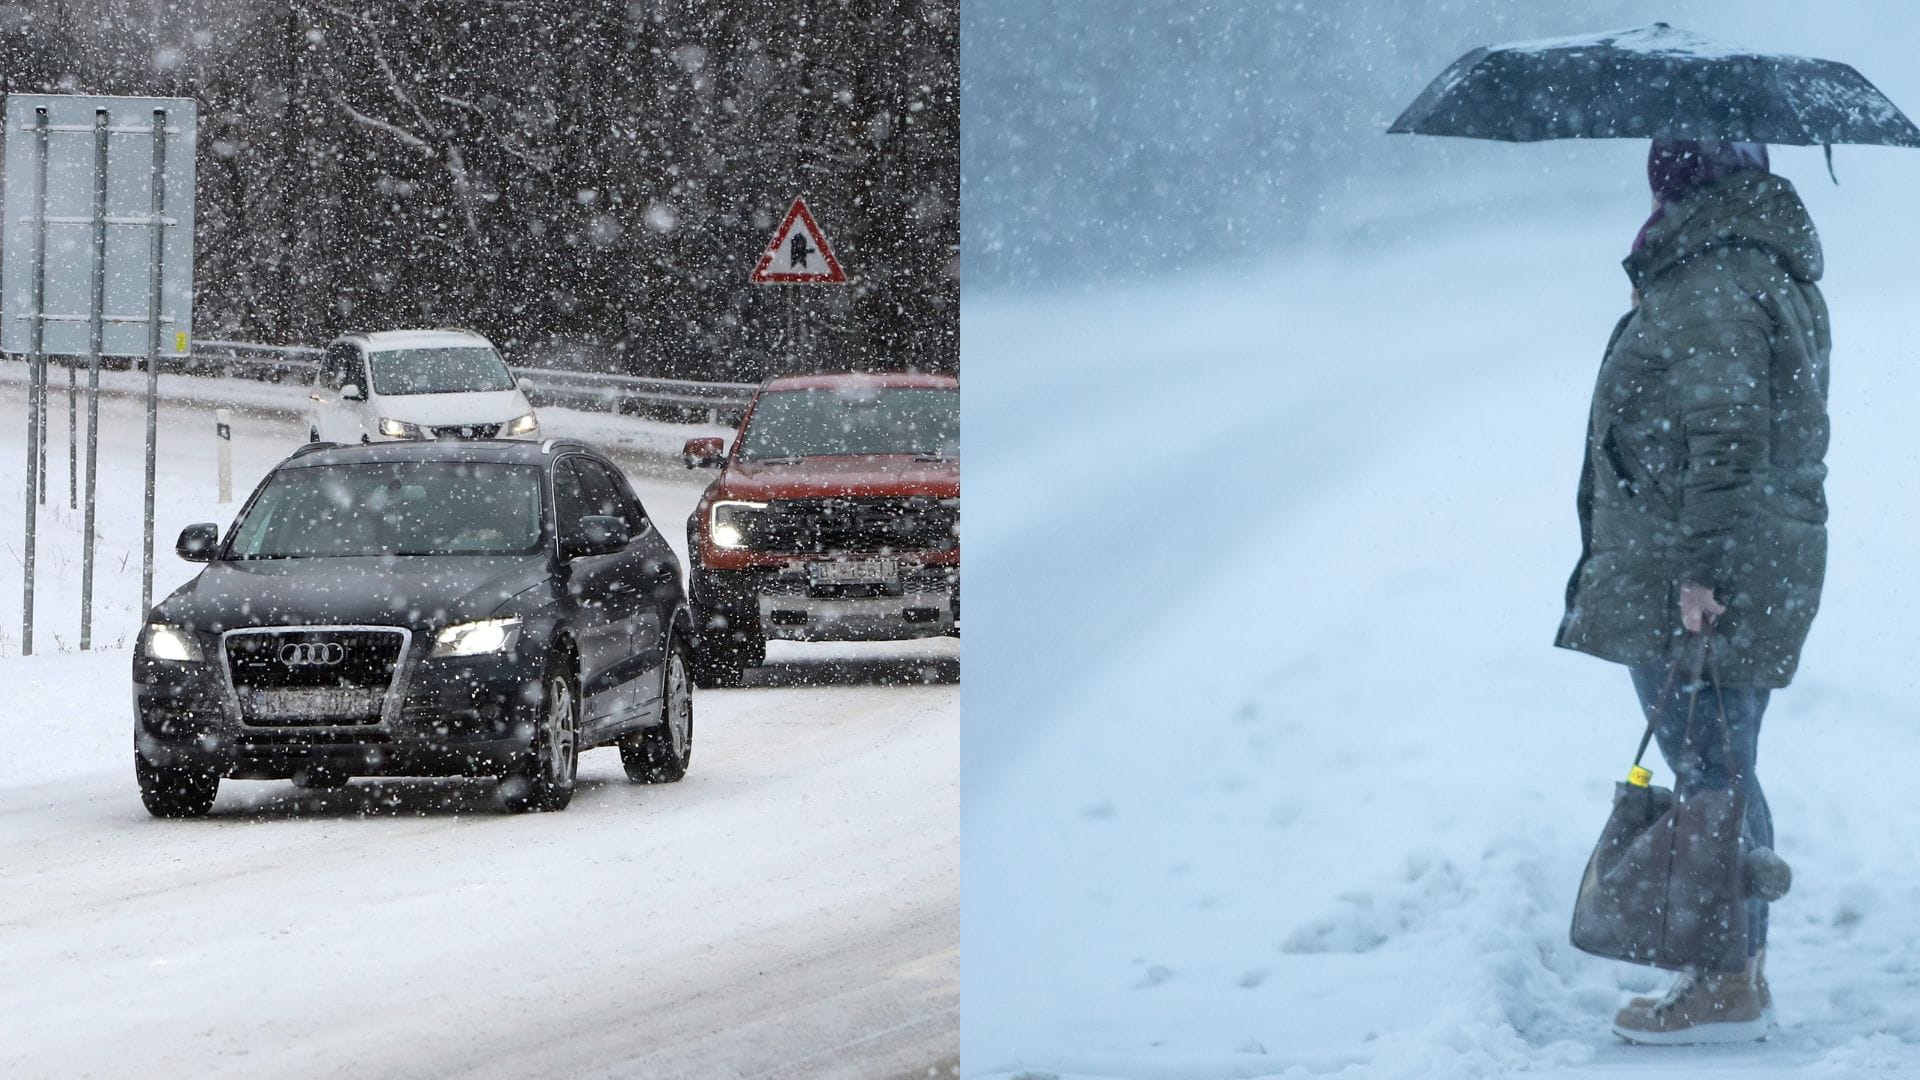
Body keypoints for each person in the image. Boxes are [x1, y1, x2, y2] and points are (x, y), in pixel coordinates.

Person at [1555, 138, 1830, 1044]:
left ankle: (1724, 983)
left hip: (1705, 568)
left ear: (1683, 182)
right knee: (1721, 765)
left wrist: (1700, 571)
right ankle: (1735, 967)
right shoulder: (1739, 268)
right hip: (1731, 555)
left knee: (1711, 769)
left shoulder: (1713, 281)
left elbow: (1724, 437)